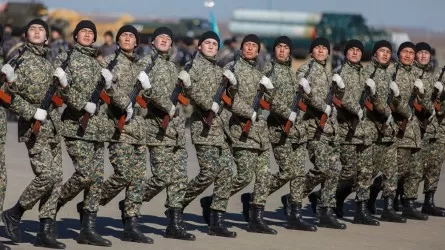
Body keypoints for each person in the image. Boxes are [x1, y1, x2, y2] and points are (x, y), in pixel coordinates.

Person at [1, 18, 65, 249]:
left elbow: (55, 99)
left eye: (41, 30)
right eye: (33, 29)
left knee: (56, 180)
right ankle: (14, 213)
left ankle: (45, 231)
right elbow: (5, 94)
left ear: (47, 37)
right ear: (26, 36)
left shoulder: (47, 63)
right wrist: (31, 112)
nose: (37, 32)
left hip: (54, 126)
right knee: (46, 176)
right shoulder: (20, 60)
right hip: (34, 128)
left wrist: (62, 87)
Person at [53, 20, 112, 246]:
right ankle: (53, 204)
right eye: (83, 32)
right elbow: (60, 89)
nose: (87, 35)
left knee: (96, 180)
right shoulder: (64, 59)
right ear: (75, 36)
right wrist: (81, 104)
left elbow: (107, 97)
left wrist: (108, 85)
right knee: (85, 174)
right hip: (75, 126)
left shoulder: (98, 64)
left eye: (91, 32)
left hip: (97, 129)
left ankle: (88, 228)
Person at [98, 25, 153, 244]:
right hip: (117, 127)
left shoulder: (142, 64)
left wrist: (147, 89)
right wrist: (124, 103)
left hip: (138, 128)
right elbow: (105, 90)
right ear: (118, 40)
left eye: (132, 36)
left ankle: (131, 223)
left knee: (138, 179)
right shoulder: (109, 62)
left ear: (137, 42)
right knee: (123, 173)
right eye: (124, 35)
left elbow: (147, 98)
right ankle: (93, 201)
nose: (128, 38)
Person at [179, 31, 237, 238]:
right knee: (208, 172)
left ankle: (216, 219)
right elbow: (189, 92)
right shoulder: (193, 66)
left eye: (215, 43)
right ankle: (177, 204)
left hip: (221, 128)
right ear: (199, 46)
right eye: (208, 43)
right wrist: (207, 103)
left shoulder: (218, 69)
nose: (212, 46)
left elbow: (228, 99)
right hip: (203, 126)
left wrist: (233, 85)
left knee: (226, 173)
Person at [141, 26, 195, 241]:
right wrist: (166, 106)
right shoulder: (145, 63)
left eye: (167, 38)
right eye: (160, 38)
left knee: (180, 179)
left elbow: (184, 98)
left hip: (177, 130)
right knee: (162, 177)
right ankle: (133, 201)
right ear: (153, 42)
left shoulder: (174, 67)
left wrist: (187, 86)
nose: (164, 40)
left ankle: (174, 222)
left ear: (171, 44)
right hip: (157, 128)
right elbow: (145, 91)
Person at [262, 36, 317, 231]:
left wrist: (307, 91)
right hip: (280, 130)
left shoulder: (291, 72)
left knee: (299, 174)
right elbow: (268, 101)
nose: (283, 50)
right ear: (274, 49)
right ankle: (256, 198)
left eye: (286, 47)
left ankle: (295, 214)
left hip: (298, 132)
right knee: (287, 172)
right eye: (279, 47)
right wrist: (289, 114)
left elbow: (302, 102)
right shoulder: (268, 70)